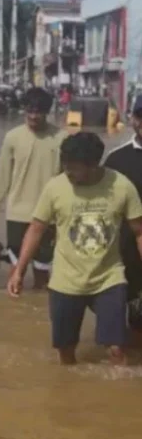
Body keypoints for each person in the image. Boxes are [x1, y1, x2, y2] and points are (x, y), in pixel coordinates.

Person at [8, 132, 142, 365]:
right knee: (66, 351)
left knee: (117, 349)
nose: (67, 172)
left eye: (74, 168)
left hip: (109, 279)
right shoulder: (55, 187)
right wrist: (18, 271)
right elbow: (36, 229)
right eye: (65, 166)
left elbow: (139, 232)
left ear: (93, 165)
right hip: (65, 281)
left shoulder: (121, 186)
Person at [0, 87, 68, 291]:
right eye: (29, 110)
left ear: (47, 112)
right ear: (24, 110)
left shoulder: (61, 138)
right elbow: (2, 179)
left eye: (38, 111)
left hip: (49, 216)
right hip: (17, 214)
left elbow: (68, 180)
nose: (33, 116)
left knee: (42, 272)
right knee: (15, 269)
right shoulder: (12, 137)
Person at [102, 96, 142, 330]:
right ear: (133, 119)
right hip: (128, 251)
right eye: (140, 116)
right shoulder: (116, 159)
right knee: (134, 318)